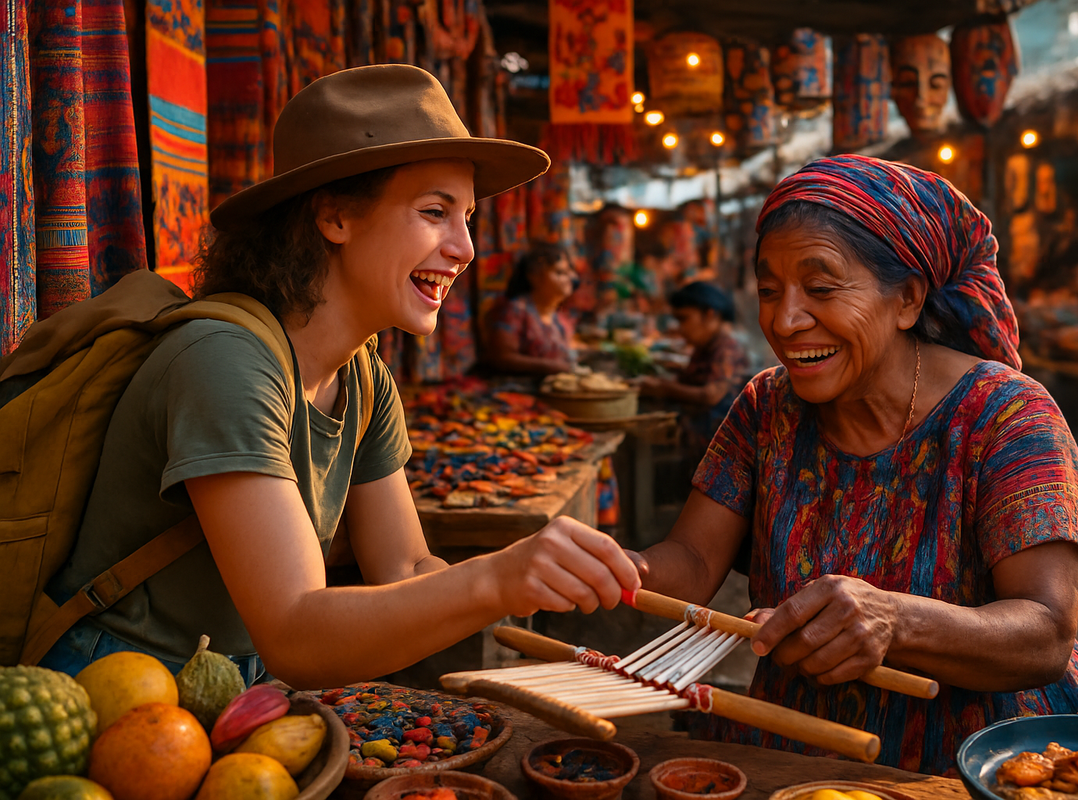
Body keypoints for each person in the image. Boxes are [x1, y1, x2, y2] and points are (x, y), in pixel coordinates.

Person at [39, 65, 640, 688]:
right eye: (436, 211)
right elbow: (297, 633)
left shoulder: (363, 376)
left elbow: (404, 568)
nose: (465, 248)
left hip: (233, 685)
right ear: (335, 218)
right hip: (116, 688)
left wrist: (527, 577)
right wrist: (495, 578)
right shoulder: (223, 360)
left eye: (467, 217)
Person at [628, 155, 1078, 775]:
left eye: (821, 288)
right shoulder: (765, 407)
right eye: (769, 290)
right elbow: (691, 563)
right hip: (802, 747)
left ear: (907, 299)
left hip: (983, 762)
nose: (785, 319)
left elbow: (1044, 633)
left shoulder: (1006, 415)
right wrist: (615, 566)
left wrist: (894, 619)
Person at [638, 281, 750, 443]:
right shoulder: (704, 346)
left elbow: (711, 395)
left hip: (717, 443)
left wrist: (664, 388)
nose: (680, 328)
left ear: (710, 315)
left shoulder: (728, 349)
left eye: (684, 319)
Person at [485, 242, 579, 376]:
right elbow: (501, 358)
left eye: (570, 272)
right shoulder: (516, 311)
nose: (571, 278)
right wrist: (547, 367)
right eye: (560, 272)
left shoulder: (559, 316)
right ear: (533, 276)